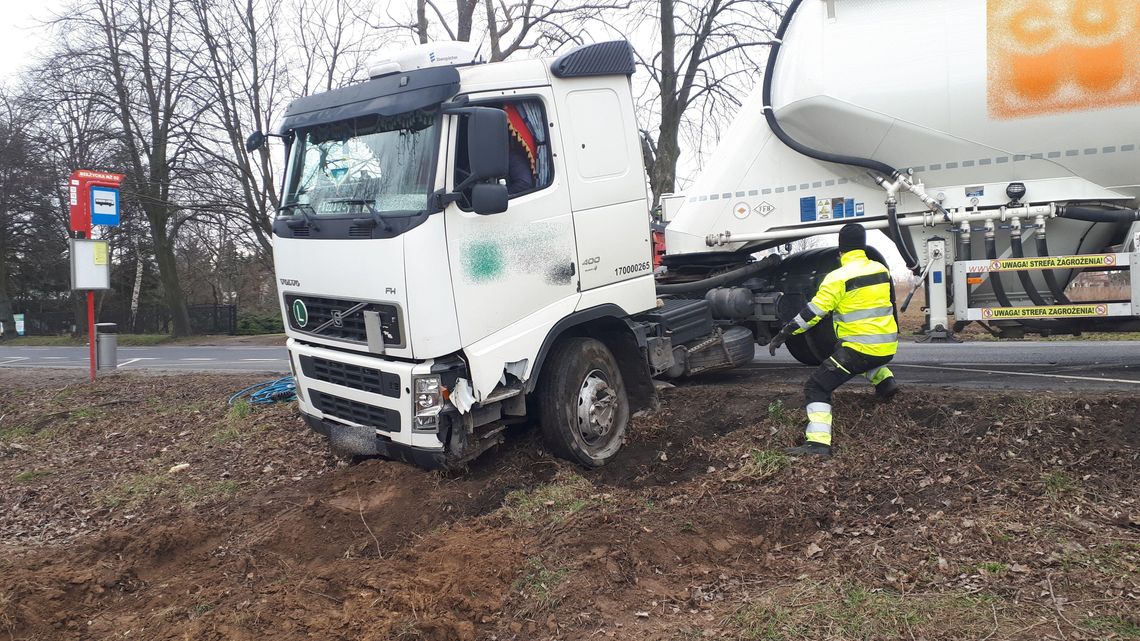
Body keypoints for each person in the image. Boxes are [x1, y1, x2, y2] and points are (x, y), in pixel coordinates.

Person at [767, 223, 900, 458]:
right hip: (887, 346)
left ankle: (818, 444)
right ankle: (885, 382)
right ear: (863, 246)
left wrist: (784, 334)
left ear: (841, 251)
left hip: (862, 348)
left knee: (817, 386)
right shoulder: (880, 269)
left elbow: (812, 314)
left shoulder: (837, 278)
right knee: (849, 352)